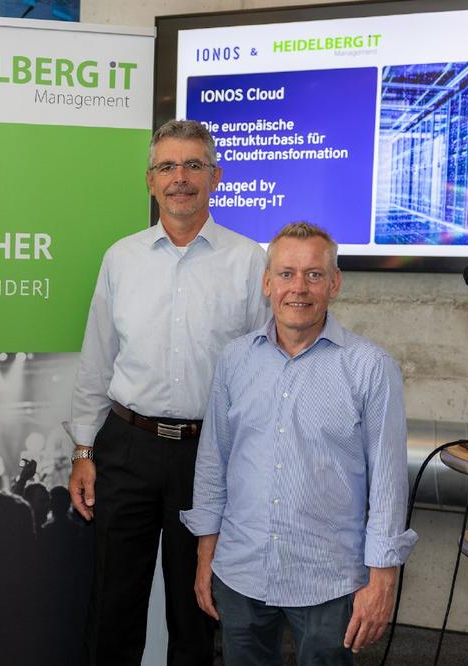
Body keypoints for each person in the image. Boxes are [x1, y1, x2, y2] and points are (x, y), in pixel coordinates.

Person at [68, 119, 269, 665]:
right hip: (127, 447)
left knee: (196, 609)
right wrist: (83, 450)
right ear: (150, 181)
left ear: (215, 177)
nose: (180, 177)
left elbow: (265, 374)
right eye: (167, 167)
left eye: (193, 165)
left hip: (208, 456)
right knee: (112, 604)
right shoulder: (121, 258)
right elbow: (97, 359)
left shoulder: (250, 262)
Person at [180, 222, 418, 665]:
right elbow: (214, 463)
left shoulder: (370, 367)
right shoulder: (234, 361)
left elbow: (388, 485)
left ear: (334, 283)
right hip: (241, 570)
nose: (299, 287)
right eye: (286, 273)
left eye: (313, 274)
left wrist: (382, 580)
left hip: (328, 580)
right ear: (267, 282)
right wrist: (205, 555)